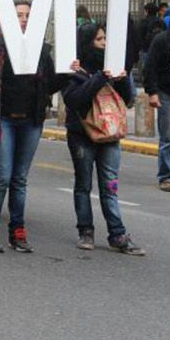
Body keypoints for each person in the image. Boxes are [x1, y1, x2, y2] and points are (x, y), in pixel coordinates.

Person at [0, 3, 65, 253]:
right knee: (2, 176)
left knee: (20, 179)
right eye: (19, 15)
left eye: (28, 15)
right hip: (2, 119)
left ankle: (17, 230)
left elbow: (48, 87)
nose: (24, 20)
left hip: (30, 121)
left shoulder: (41, 51)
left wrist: (68, 71)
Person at [63, 23, 144, 255]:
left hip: (109, 136)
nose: (105, 44)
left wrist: (121, 79)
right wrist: (99, 78)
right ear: (88, 43)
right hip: (82, 136)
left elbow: (127, 100)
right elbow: (76, 100)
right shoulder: (75, 70)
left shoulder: (113, 68)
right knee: (83, 184)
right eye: (99, 40)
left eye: (106, 39)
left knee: (110, 186)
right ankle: (85, 231)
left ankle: (117, 234)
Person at [143, 3, 170, 192]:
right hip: (169, 95)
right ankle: (166, 176)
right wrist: (152, 92)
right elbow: (150, 67)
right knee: (167, 138)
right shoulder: (162, 40)